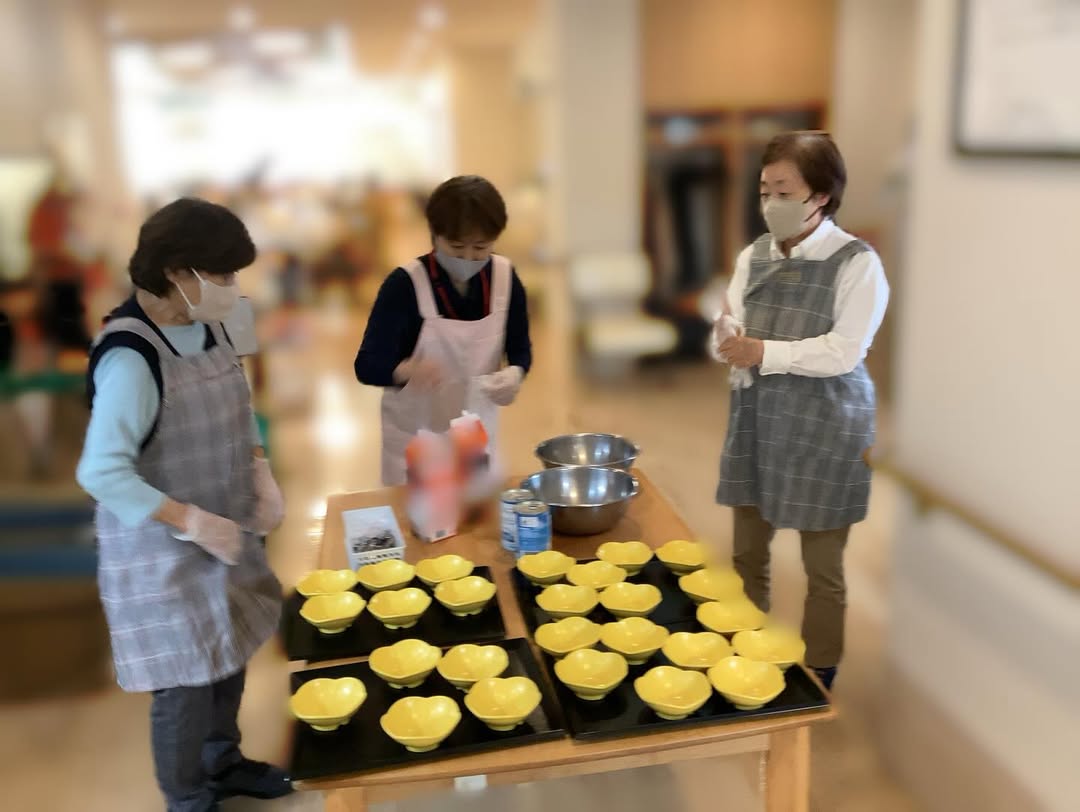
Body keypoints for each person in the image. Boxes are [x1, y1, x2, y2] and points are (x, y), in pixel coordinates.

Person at [76, 198, 292, 811]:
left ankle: (223, 761)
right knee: (185, 684)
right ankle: (188, 798)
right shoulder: (130, 357)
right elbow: (100, 472)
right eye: (221, 274)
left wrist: (259, 466)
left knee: (230, 653)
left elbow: (240, 400)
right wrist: (190, 521)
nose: (233, 287)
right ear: (176, 272)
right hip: (162, 548)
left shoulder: (218, 321)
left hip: (227, 521)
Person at [712, 132, 889, 691]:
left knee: (822, 565)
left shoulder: (857, 264)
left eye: (783, 191)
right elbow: (733, 326)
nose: (770, 202)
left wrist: (762, 352)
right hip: (759, 419)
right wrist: (727, 335)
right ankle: (747, 650)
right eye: (765, 190)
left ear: (821, 195)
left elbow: (844, 351)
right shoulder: (754, 255)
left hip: (826, 425)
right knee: (747, 551)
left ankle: (820, 670)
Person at [354, 175, 532, 486]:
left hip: (475, 440)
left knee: (475, 511)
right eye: (456, 247)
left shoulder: (505, 279)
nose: (468, 258)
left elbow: (520, 349)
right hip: (416, 443)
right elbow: (366, 365)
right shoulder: (404, 286)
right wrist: (404, 370)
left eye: (481, 247)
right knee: (421, 514)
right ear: (435, 235)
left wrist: (515, 372)